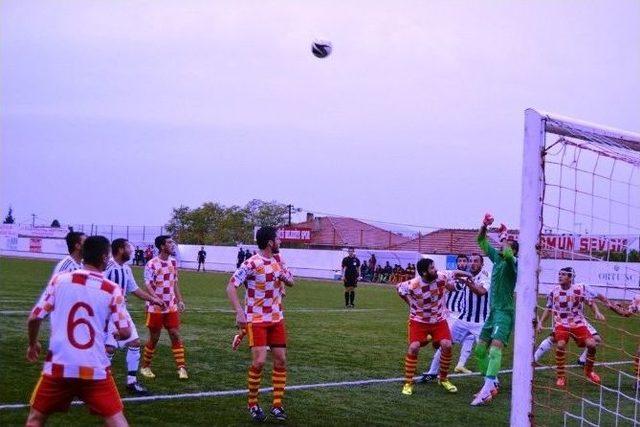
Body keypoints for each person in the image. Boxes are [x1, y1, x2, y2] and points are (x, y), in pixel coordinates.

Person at [25, 235, 131, 427]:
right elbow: (124, 331)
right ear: (105, 257)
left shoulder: (60, 280)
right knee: (116, 420)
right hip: (94, 367)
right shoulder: (112, 289)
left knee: (36, 419)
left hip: (60, 366)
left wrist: (33, 344)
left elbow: (34, 317)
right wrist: (115, 334)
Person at [227, 226, 294, 422]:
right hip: (256, 320)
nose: (280, 242)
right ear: (270, 242)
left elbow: (292, 281)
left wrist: (283, 277)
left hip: (276, 318)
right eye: (278, 239)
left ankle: (277, 405)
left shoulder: (279, 260)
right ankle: (253, 404)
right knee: (259, 362)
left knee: (281, 360)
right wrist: (240, 312)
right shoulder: (251, 263)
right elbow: (231, 287)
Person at [397, 258, 471, 396]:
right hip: (419, 321)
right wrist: (410, 304)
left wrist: (469, 275)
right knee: (413, 347)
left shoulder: (441, 276)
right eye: (432, 268)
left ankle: (443, 379)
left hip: (439, 320)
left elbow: (455, 273)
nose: (435, 269)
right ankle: (408, 382)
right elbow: (399, 289)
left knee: (447, 345)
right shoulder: (413, 284)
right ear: (424, 272)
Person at [104, 238, 165, 396]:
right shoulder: (108, 267)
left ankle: (131, 382)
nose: (131, 251)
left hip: (122, 311)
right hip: (107, 313)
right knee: (109, 348)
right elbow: (96, 285)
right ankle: (99, 382)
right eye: (128, 248)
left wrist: (154, 299)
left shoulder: (126, 268)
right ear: (119, 250)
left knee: (135, 342)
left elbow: (135, 289)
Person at [471, 214, 519, 406]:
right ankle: (491, 384)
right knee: (480, 350)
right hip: (493, 312)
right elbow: (480, 240)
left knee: (494, 350)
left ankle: (486, 390)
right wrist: (484, 225)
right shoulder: (498, 260)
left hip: (505, 313)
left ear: (514, 251)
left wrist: (505, 236)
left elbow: (507, 254)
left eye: (506, 245)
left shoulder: (512, 263)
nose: (501, 247)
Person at [537, 267, 609, 387]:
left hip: (577, 322)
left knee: (592, 344)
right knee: (560, 344)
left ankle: (589, 371)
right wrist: (541, 322)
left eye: (563, 275)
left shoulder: (579, 289)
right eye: (559, 274)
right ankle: (560, 377)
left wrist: (597, 311)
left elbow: (590, 302)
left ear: (570, 278)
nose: (560, 276)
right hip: (561, 322)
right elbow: (548, 308)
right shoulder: (554, 291)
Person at [422, 254, 489, 381]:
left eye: (476, 261)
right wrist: (441, 280)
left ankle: (492, 381)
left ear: (482, 264)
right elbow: (453, 287)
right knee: (445, 343)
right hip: (463, 319)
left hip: (480, 322)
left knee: (483, 352)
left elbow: (481, 292)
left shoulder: (485, 275)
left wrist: (466, 282)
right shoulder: (466, 276)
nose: (472, 263)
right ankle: (432, 373)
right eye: (471, 261)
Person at [140, 235, 188, 380]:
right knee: (154, 338)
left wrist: (180, 300)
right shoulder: (151, 264)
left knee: (175, 334)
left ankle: (181, 367)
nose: (172, 244)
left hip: (171, 306)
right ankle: (145, 366)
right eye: (169, 242)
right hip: (155, 308)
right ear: (162, 246)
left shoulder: (173, 262)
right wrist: (155, 299)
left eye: (172, 242)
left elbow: (175, 283)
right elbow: (147, 284)